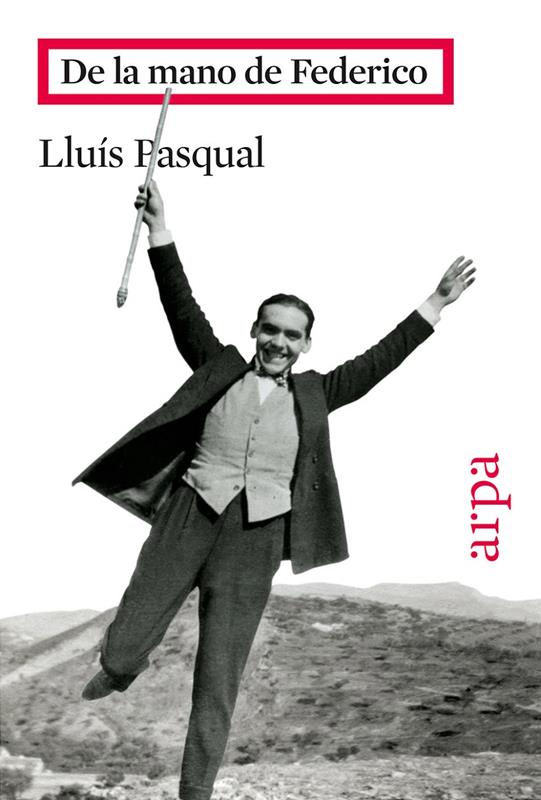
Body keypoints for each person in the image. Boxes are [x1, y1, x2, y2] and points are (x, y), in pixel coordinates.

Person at [75, 181, 475, 800]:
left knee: (219, 674)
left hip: (256, 538)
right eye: (271, 330)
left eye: (292, 335)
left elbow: (379, 360)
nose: (279, 343)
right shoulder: (218, 366)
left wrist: (435, 303)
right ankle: (121, 668)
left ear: (306, 344)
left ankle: (195, 792)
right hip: (189, 515)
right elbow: (182, 307)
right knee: (125, 644)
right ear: (255, 330)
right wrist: (159, 228)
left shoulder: (317, 393)